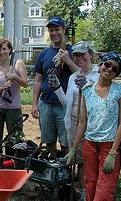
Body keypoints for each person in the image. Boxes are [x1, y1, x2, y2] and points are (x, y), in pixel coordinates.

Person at [66, 52, 121, 201]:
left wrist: (113, 152)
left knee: (104, 190)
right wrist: (74, 148)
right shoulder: (87, 91)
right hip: (90, 145)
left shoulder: (119, 92)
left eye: (115, 69)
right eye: (107, 65)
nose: (109, 70)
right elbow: (82, 121)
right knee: (90, 186)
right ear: (101, 65)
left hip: (109, 146)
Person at [31, 16, 78, 155]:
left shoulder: (73, 52)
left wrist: (68, 60)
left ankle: (66, 172)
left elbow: (81, 74)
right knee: (49, 141)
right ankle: (52, 167)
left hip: (66, 105)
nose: (54, 33)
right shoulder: (44, 54)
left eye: (57, 29)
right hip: (46, 103)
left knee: (66, 141)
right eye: (51, 30)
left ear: (64, 30)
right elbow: (38, 79)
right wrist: (34, 103)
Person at [63, 41, 100, 201]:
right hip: (73, 122)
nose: (79, 58)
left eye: (82, 54)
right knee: (78, 160)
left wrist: (87, 89)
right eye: (76, 55)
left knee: (89, 160)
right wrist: (57, 89)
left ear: (90, 54)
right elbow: (67, 102)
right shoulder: (73, 77)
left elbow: (103, 100)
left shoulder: (99, 75)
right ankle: (83, 195)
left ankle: (92, 197)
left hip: (91, 124)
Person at [0, 38, 28, 150]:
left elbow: (25, 83)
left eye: (4, 49)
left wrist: (14, 77)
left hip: (14, 108)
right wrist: (3, 88)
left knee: (15, 139)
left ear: (9, 50)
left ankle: (13, 163)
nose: (2, 52)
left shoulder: (18, 64)